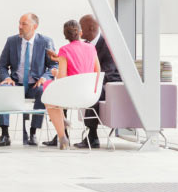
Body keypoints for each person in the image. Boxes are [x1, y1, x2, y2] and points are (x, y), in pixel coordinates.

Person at [0, 13, 58, 146]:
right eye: (19, 23)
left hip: (34, 85)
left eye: (24, 24)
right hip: (15, 84)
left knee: (43, 91)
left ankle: (33, 132)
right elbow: (2, 65)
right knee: (2, 89)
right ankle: (5, 134)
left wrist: (44, 78)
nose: (20, 27)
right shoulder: (11, 41)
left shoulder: (45, 41)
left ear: (35, 26)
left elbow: (54, 65)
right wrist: (6, 78)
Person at [43, 19, 101, 150]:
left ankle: (62, 136)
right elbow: (97, 71)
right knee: (52, 96)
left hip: (71, 96)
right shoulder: (91, 48)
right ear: (80, 32)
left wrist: (55, 72)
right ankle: (62, 119)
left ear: (65, 35)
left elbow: (63, 78)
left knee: (48, 93)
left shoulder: (64, 50)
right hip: (89, 95)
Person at [78, 15, 123, 149]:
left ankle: (92, 136)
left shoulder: (108, 45)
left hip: (110, 84)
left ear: (91, 28)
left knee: (93, 93)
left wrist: (88, 81)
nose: (79, 30)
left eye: (81, 27)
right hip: (93, 81)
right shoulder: (85, 45)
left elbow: (107, 72)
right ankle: (62, 135)